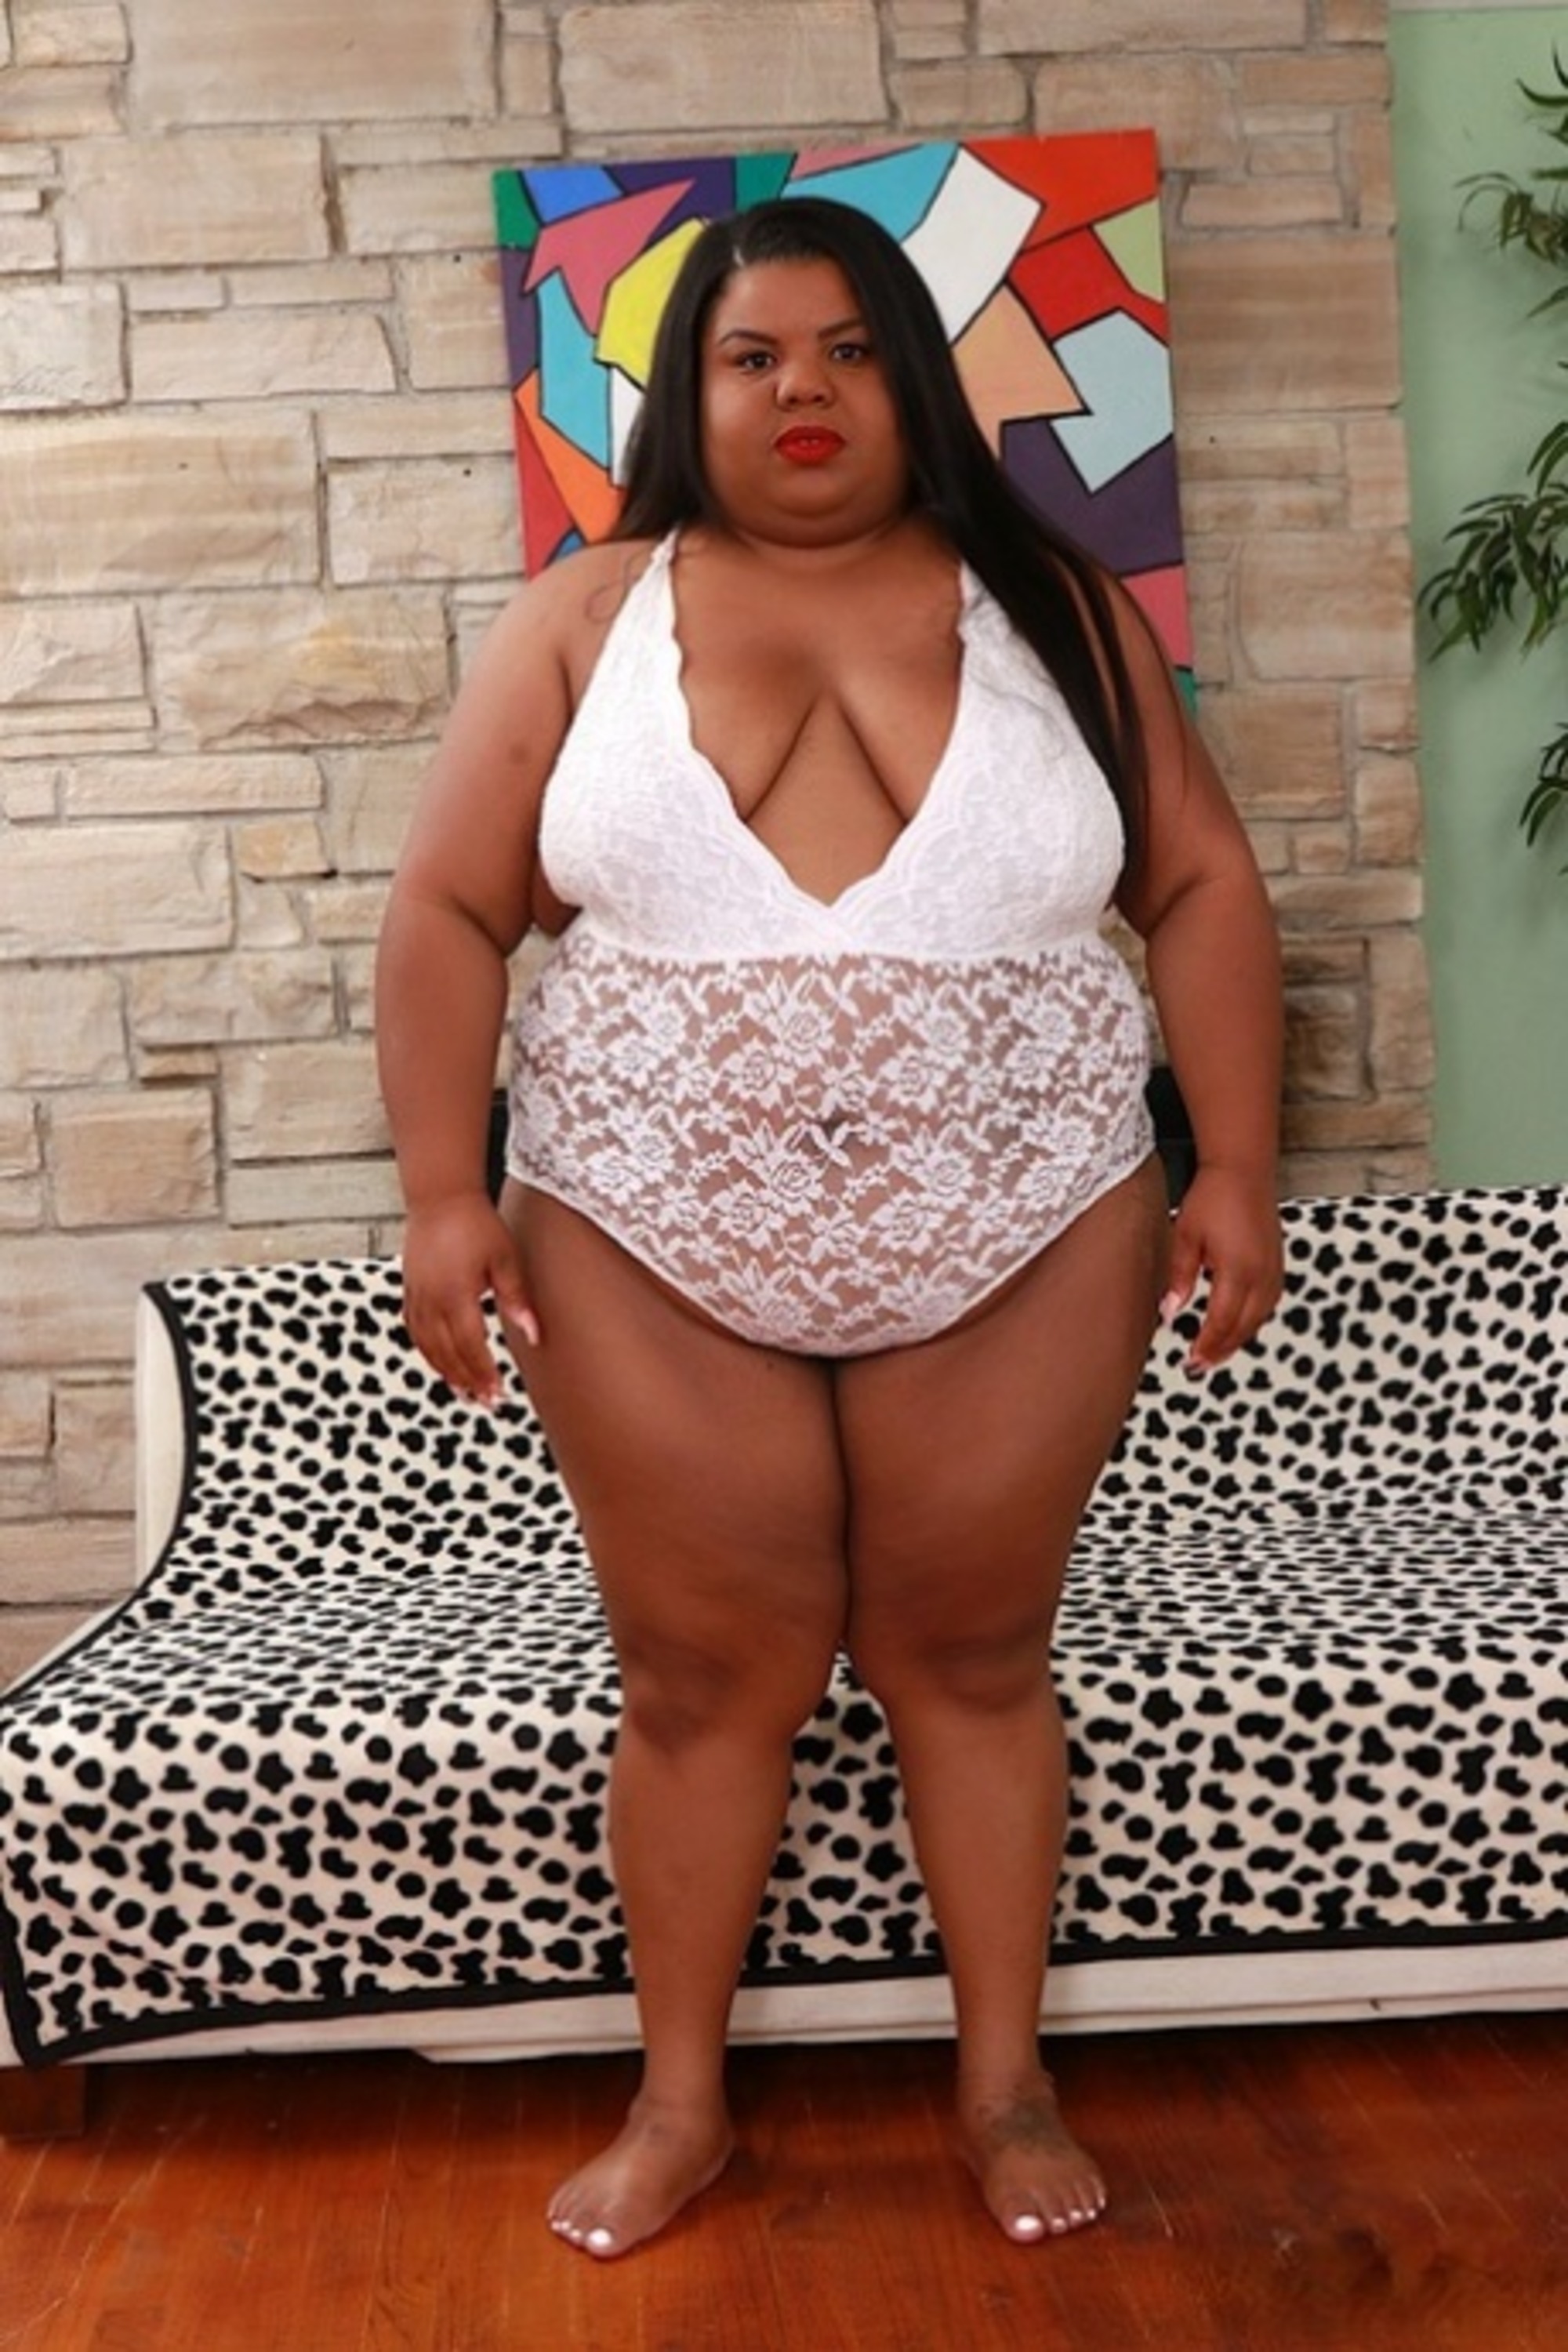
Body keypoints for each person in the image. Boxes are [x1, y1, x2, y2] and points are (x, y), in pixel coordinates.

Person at [376, 195, 1283, 2261]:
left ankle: (1005, 2083)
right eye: (755, 355)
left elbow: (1205, 883)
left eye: (853, 351)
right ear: (690, 396)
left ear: (917, 386)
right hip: (639, 1223)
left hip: (1032, 1210)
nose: (806, 390)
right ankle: (680, 2101)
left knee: (971, 1652)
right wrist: (441, 1192)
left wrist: (1234, 1163)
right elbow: (444, 905)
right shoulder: (586, 616)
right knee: (708, 1672)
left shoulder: (1051, 604)